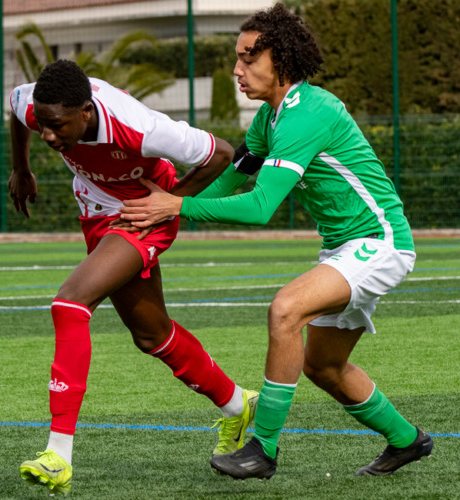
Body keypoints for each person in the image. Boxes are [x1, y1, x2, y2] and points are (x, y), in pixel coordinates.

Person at [119, 2, 432, 480]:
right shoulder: (270, 119)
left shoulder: (309, 113)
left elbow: (260, 206)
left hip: (380, 241)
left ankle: (261, 449)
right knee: (323, 367)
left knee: (285, 310)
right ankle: (408, 440)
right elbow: (230, 183)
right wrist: (164, 218)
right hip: (343, 248)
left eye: (248, 58)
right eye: (237, 58)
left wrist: (176, 206)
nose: (236, 69)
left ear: (281, 61)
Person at [7, 59, 258, 495]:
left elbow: (220, 152)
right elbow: (15, 111)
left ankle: (57, 454)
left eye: (57, 126)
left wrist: (171, 202)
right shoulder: (37, 105)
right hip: (96, 213)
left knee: (70, 302)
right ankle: (239, 405)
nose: (47, 134)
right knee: (151, 335)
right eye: (42, 125)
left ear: (86, 111)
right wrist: (22, 168)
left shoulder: (139, 127)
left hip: (144, 214)